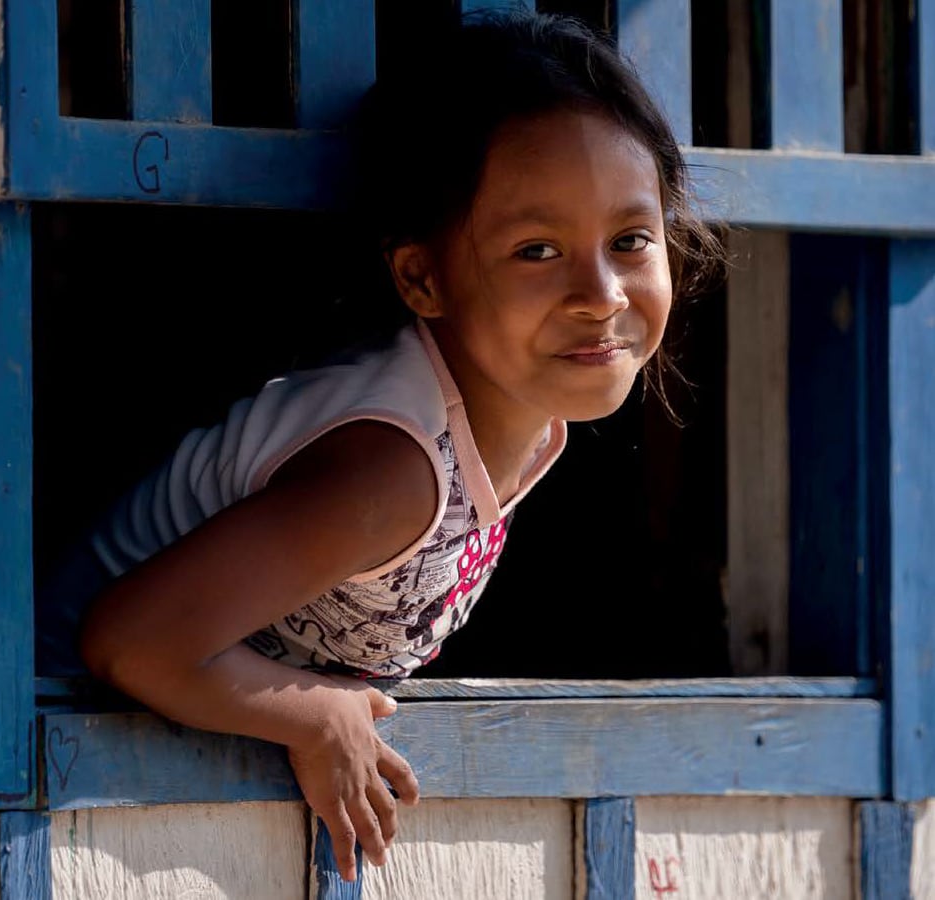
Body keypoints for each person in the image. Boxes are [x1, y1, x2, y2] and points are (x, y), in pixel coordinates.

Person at [38, 10, 724, 883]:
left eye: (630, 240)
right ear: (422, 278)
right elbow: (128, 642)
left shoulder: (531, 423)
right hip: (62, 747)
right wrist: (313, 715)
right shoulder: (391, 469)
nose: (599, 294)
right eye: (537, 250)